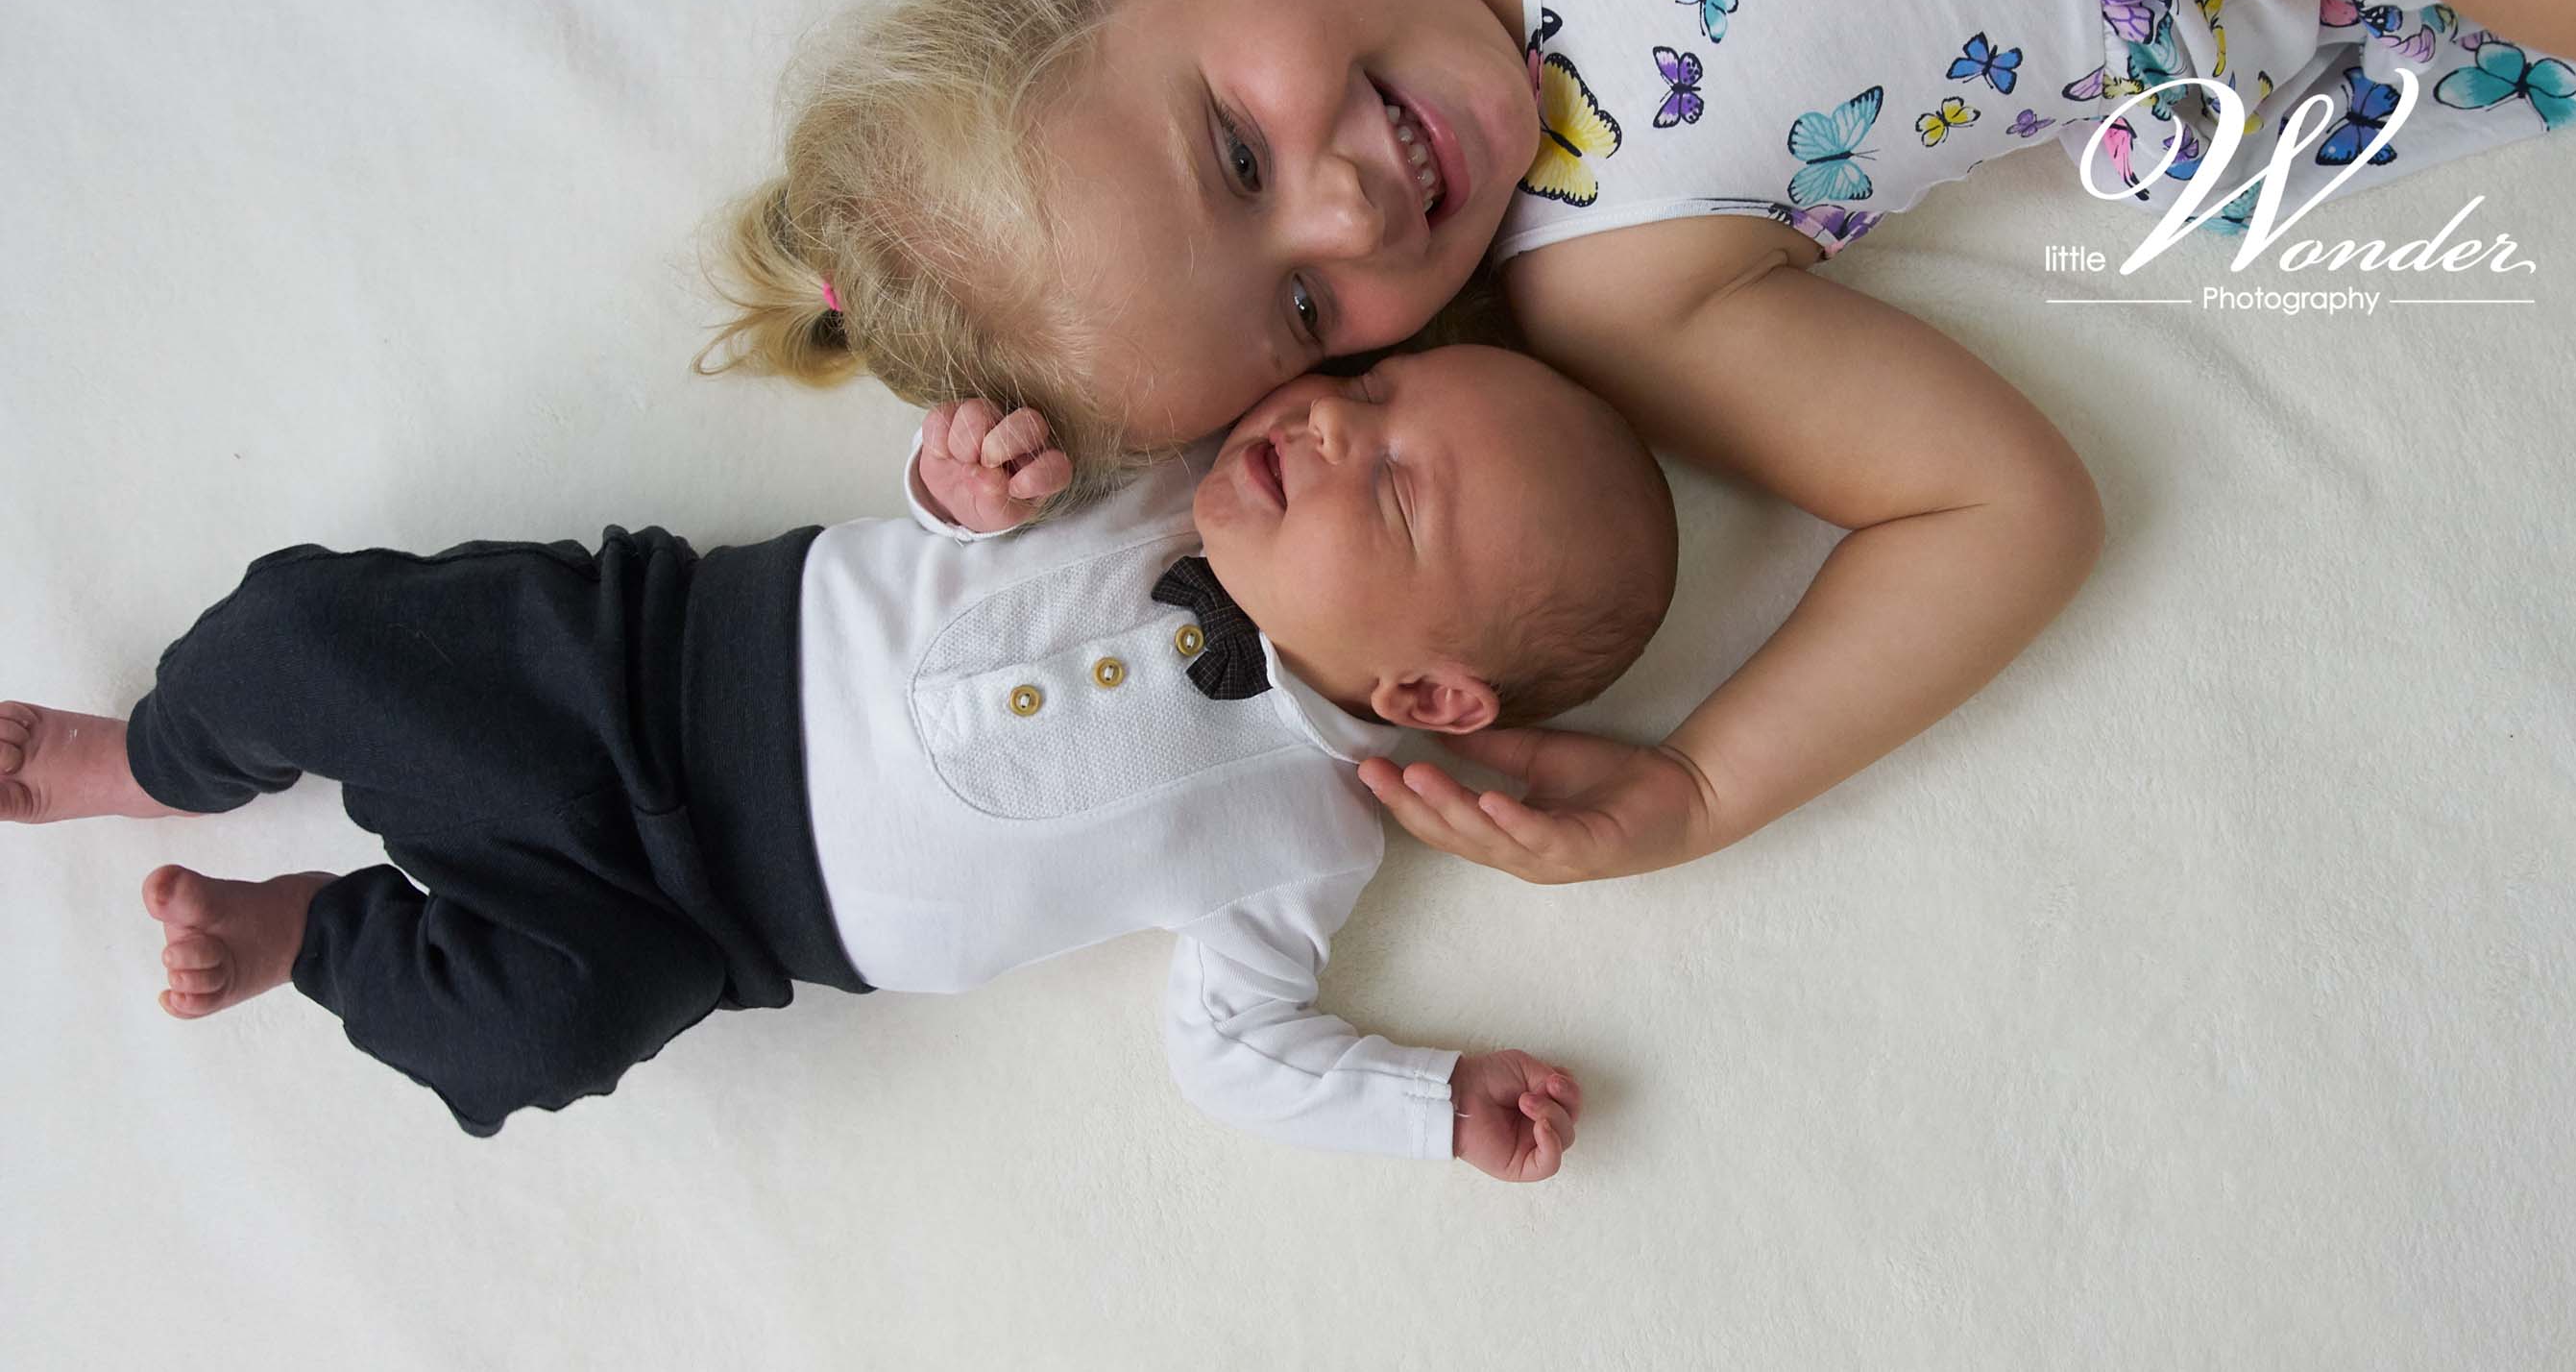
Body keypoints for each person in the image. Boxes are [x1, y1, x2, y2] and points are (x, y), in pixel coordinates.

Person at [693, 0, 2576, 884]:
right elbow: (1991, 507)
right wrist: (1705, 784)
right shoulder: (1623, 271)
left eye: (1232, 149)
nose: (1351, 205)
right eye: (1303, 305)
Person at [0, 346, 1674, 1175]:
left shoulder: (1315, 836)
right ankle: (150, 755)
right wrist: (960, 478)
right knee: (303, 636)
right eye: (1371, 386)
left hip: (693, 921)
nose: (1329, 424)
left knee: (533, 1038)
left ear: (1430, 691)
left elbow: (1234, 1047)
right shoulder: (1169, 460)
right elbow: (957, 505)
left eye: (1393, 488)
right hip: (641, 666)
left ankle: (316, 930)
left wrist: (1422, 1102)